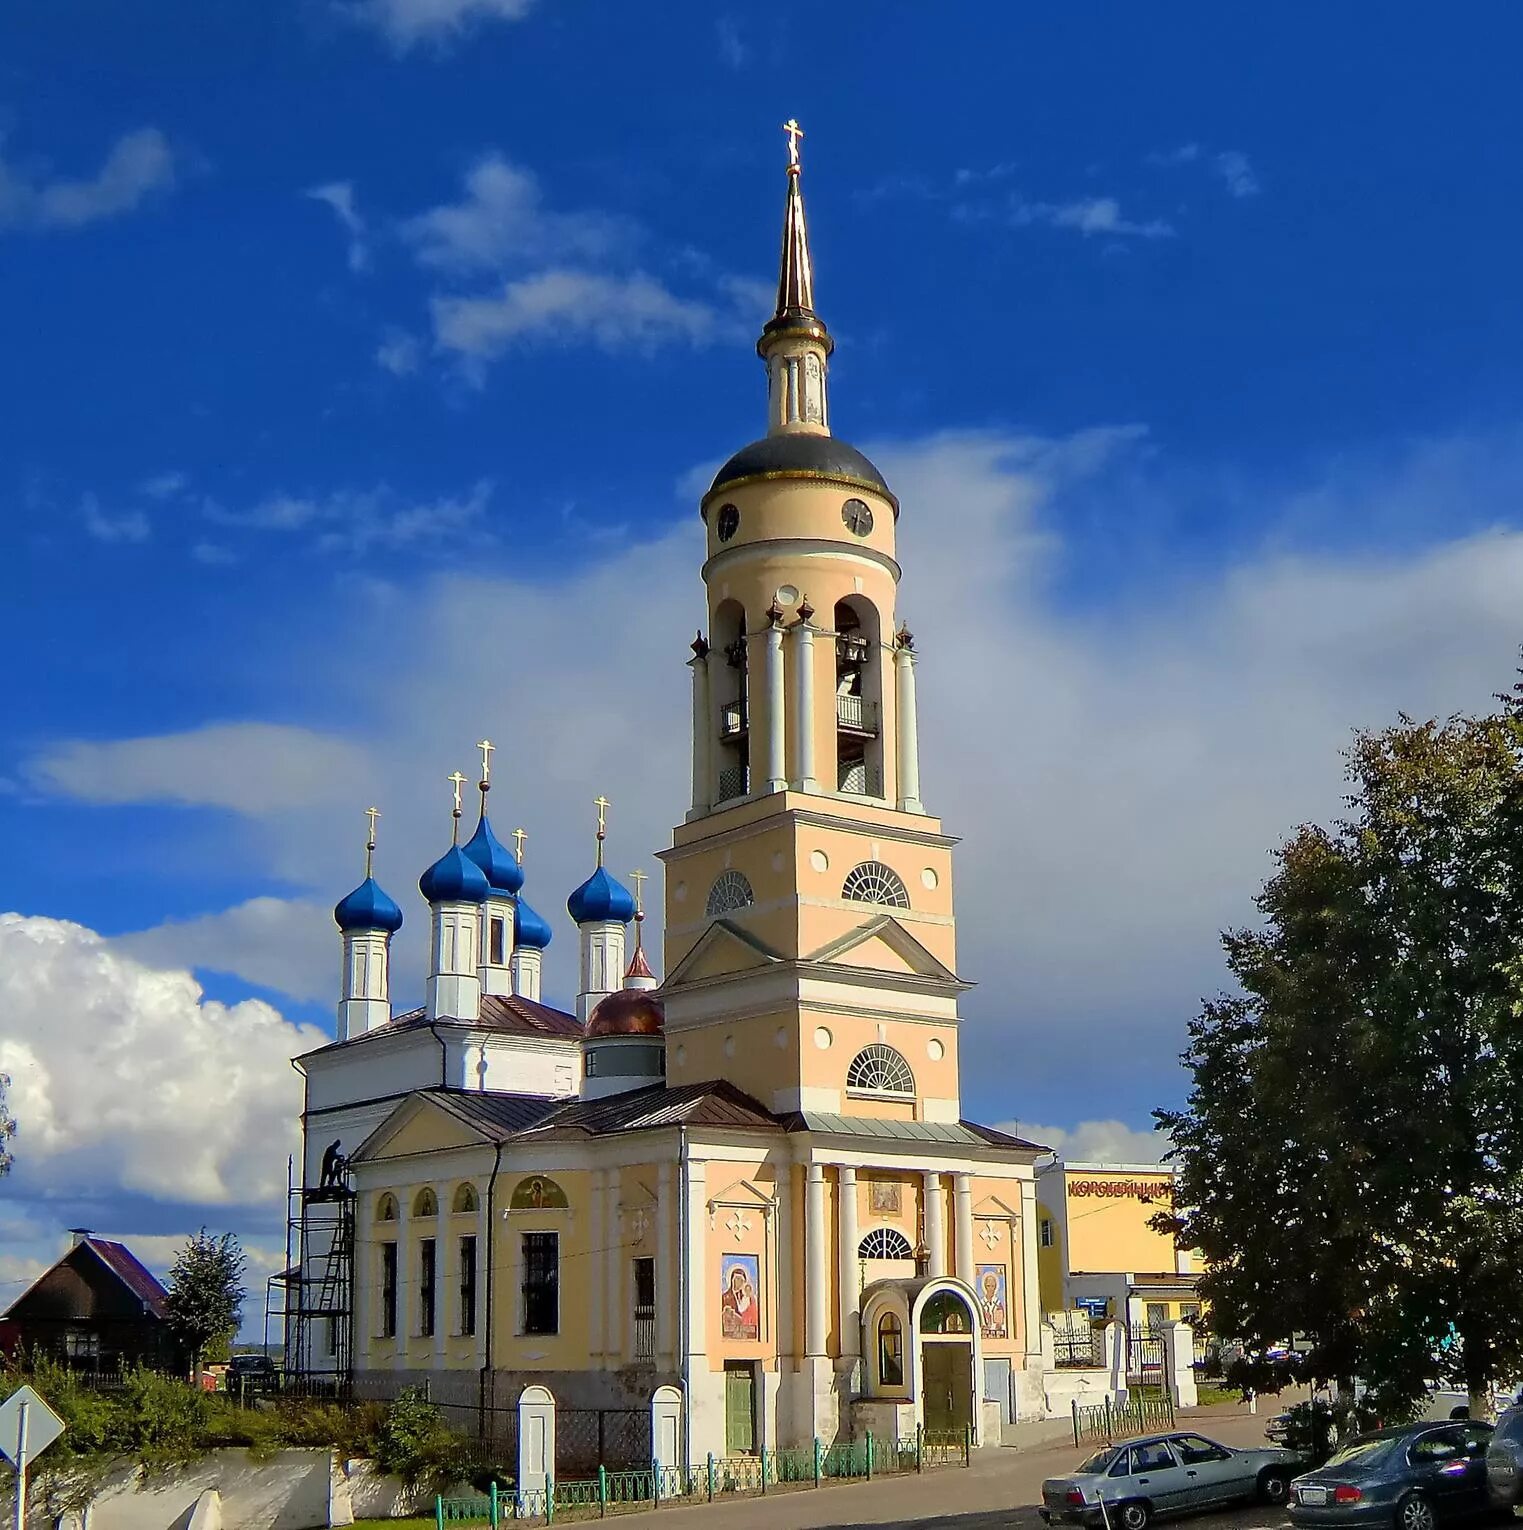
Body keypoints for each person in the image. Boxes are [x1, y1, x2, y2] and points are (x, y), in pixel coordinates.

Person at [721, 1265, 758, 1339]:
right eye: (737, 1279)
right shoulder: (725, 1297)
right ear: (732, 1280)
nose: (740, 1282)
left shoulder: (746, 1297)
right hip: (730, 1330)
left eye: (742, 1280)